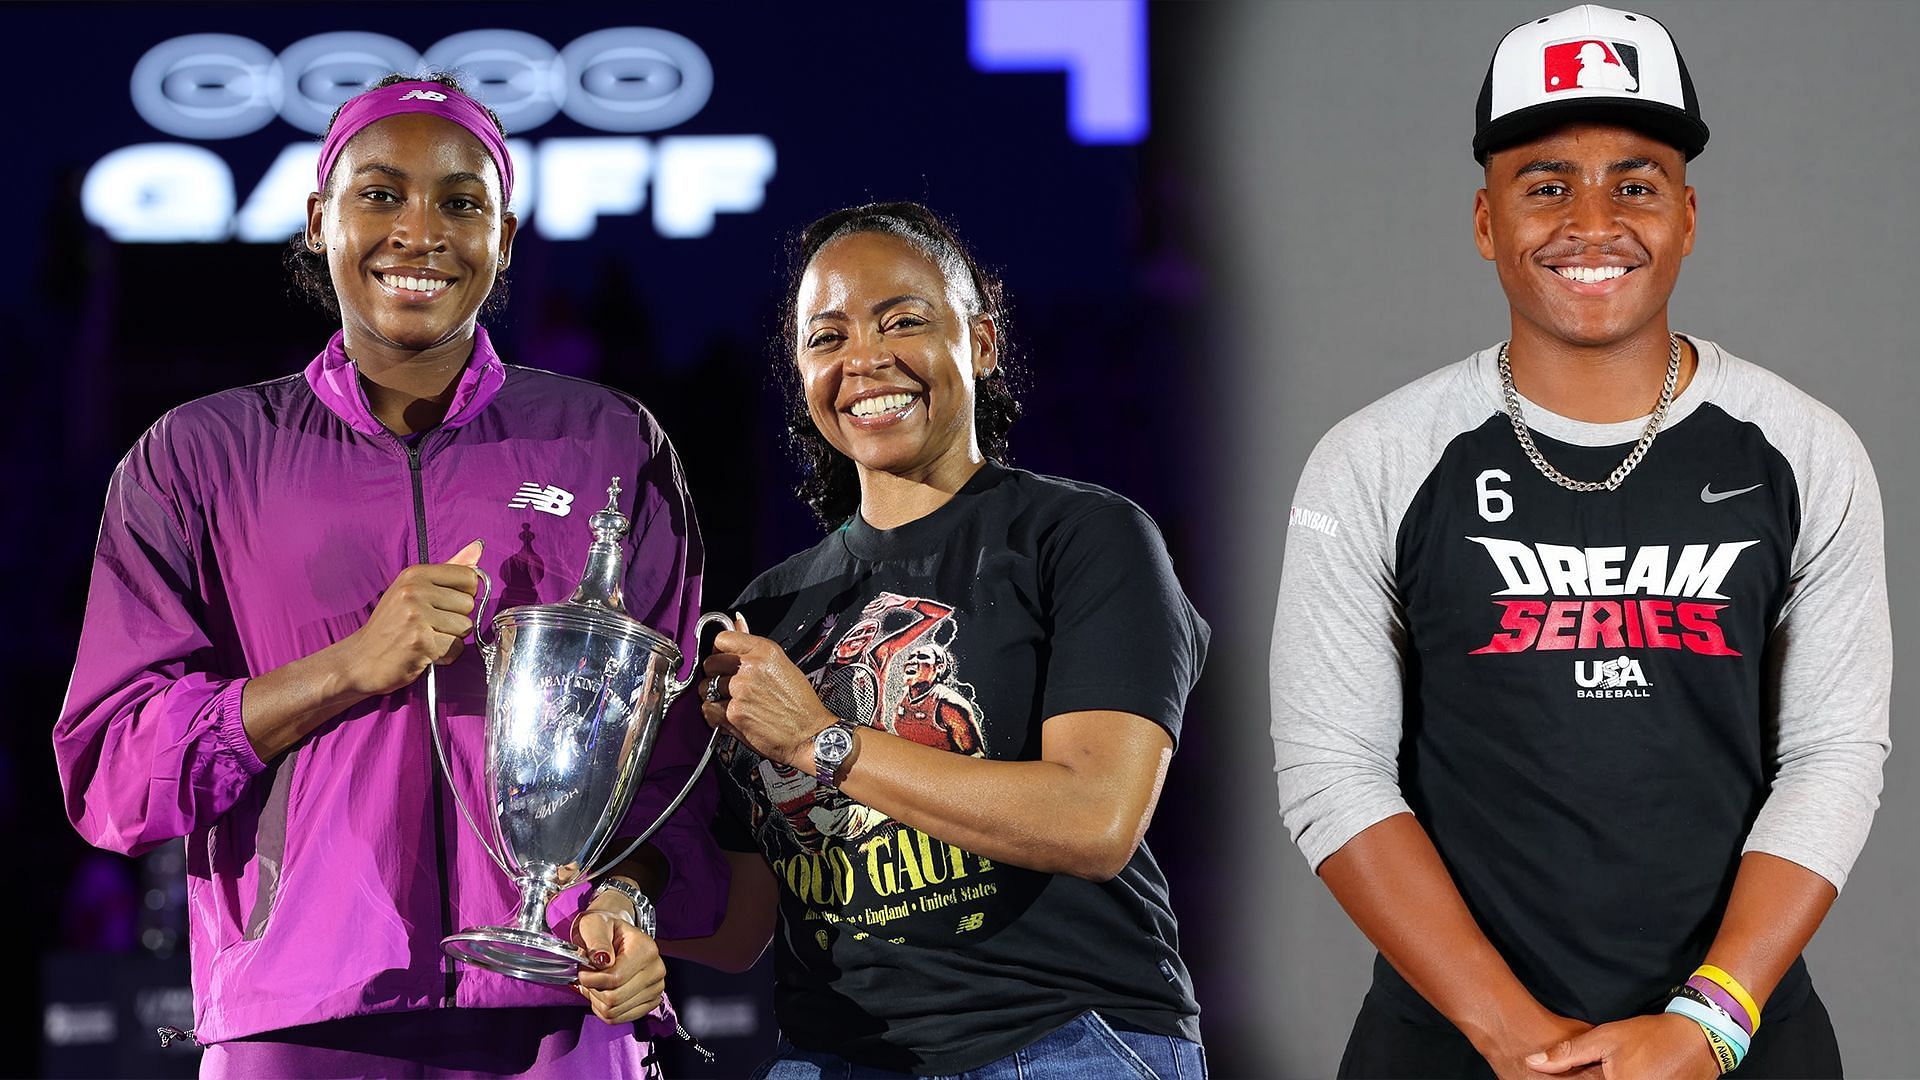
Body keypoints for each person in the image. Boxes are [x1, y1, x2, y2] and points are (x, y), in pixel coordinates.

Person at [53, 73, 726, 1077]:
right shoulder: (201, 455)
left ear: (505, 236)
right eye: (380, 194)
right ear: (320, 218)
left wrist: (629, 901)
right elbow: (111, 772)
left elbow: (669, 769)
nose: (420, 231)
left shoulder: (609, 445)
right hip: (296, 1019)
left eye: (462, 201)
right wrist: (348, 668)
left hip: (556, 1010)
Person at [1270, 6, 1888, 1079]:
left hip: (1740, 1038)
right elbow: (1335, 773)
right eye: (1547, 184)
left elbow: (1832, 757)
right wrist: (1519, 1040)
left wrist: (1713, 1020)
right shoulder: (1373, 459)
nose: (1591, 222)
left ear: (1688, 217)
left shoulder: (1805, 450)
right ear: (1484, 220)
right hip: (1452, 1041)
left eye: (1635, 183)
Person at [684, 202, 1211, 1078]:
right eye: (828, 337)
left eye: (904, 321)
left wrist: (822, 741)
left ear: (983, 341)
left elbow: (1096, 819)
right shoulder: (772, 609)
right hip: (829, 1055)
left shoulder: (1082, 536)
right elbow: (743, 925)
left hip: (1058, 1041)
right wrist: (618, 911)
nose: (866, 359)